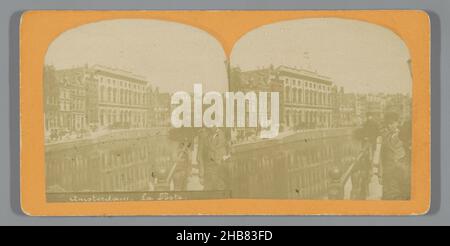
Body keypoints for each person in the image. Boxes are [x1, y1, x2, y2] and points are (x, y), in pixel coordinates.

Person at [379, 112, 409, 200]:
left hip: (401, 171)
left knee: (402, 195)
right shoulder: (384, 137)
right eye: (389, 124)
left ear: (397, 123)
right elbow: (382, 156)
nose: (391, 125)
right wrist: (380, 174)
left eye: (393, 123)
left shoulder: (403, 135)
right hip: (388, 172)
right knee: (388, 196)